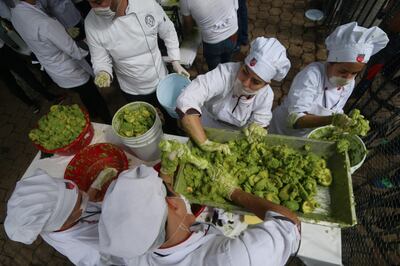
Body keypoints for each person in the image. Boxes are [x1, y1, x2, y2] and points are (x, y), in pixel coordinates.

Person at [98, 164, 300, 266]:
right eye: (168, 187)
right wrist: (234, 193)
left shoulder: (138, 254)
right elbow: (289, 224)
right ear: (172, 204)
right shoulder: (234, 258)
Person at [269, 22, 389, 137]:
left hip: (312, 134)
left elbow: (337, 108)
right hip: (285, 131)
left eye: (354, 73)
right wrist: (333, 120)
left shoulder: (349, 83)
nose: (348, 77)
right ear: (330, 62)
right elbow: (295, 119)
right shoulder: (312, 75)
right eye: (343, 71)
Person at [176, 37, 290, 152]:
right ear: (242, 63)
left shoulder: (265, 95)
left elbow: (259, 124)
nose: (245, 83)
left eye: (255, 82)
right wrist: (205, 143)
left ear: (266, 84)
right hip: (205, 126)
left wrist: (255, 130)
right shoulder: (225, 73)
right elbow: (187, 99)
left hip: (237, 135)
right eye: (245, 72)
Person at [10, 0, 112, 124]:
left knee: (83, 92)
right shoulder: (45, 24)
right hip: (68, 70)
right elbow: (75, 51)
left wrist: (62, 35)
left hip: (54, 68)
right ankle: (108, 121)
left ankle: (93, 112)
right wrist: (91, 41)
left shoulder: (16, 12)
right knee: (92, 93)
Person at [4, 169, 121, 266]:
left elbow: (78, 203)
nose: (84, 194)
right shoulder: (90, 252)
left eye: (79, 192)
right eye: (81, 201)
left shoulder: (54, 221)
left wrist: (97, 184)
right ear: (64, 222)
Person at [180, 0, 239, 70]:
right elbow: (236, 7)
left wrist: (186, 35)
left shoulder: (185, 1)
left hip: (213, 41)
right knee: (228, 61)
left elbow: (188, 24)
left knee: (215, 71)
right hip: (232, 32)